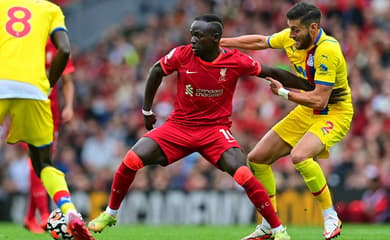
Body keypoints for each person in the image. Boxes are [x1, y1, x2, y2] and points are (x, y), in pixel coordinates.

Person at [87, 14, 343, 240]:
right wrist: (146, 110)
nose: (193, 40)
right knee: (131, 159)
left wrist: (310, 87)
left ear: (216, 38)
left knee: (243, 172)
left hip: (214, 131)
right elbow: (156, 71)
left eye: (198, 36)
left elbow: (270, 71)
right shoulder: (181, 54)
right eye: (192, 35)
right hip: (178, 126)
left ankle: (277, 230)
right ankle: (111, 213)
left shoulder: (235, 61)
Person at [220, 2, 353, 240]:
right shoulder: (291, 38)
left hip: (334, 112)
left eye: (296, 30)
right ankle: (269, 225)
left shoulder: (328, 49)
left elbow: (320, 101)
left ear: (313, 28)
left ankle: (330, 215)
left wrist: (283, 93)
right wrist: (221, 43)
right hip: (305, 109)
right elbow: (260, 41)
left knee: (300, 156)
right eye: (289, 29)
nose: (290, 35)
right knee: (257, 159)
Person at [0, 1, 94, 240]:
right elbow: (64, 49)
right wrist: (47, 85)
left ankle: (38, 215)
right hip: (34, 91)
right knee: (43, 164)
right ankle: (70, 212)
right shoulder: (50, 10)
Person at [24, 38, 75, 233]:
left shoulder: (58, 46)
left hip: (50, 113)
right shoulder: (26, 43)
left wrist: (69, 107)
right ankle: (44, 214)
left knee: (42, 162)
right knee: (36, 161)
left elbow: (68, 81)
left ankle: (30, 217)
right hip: (27, 110)